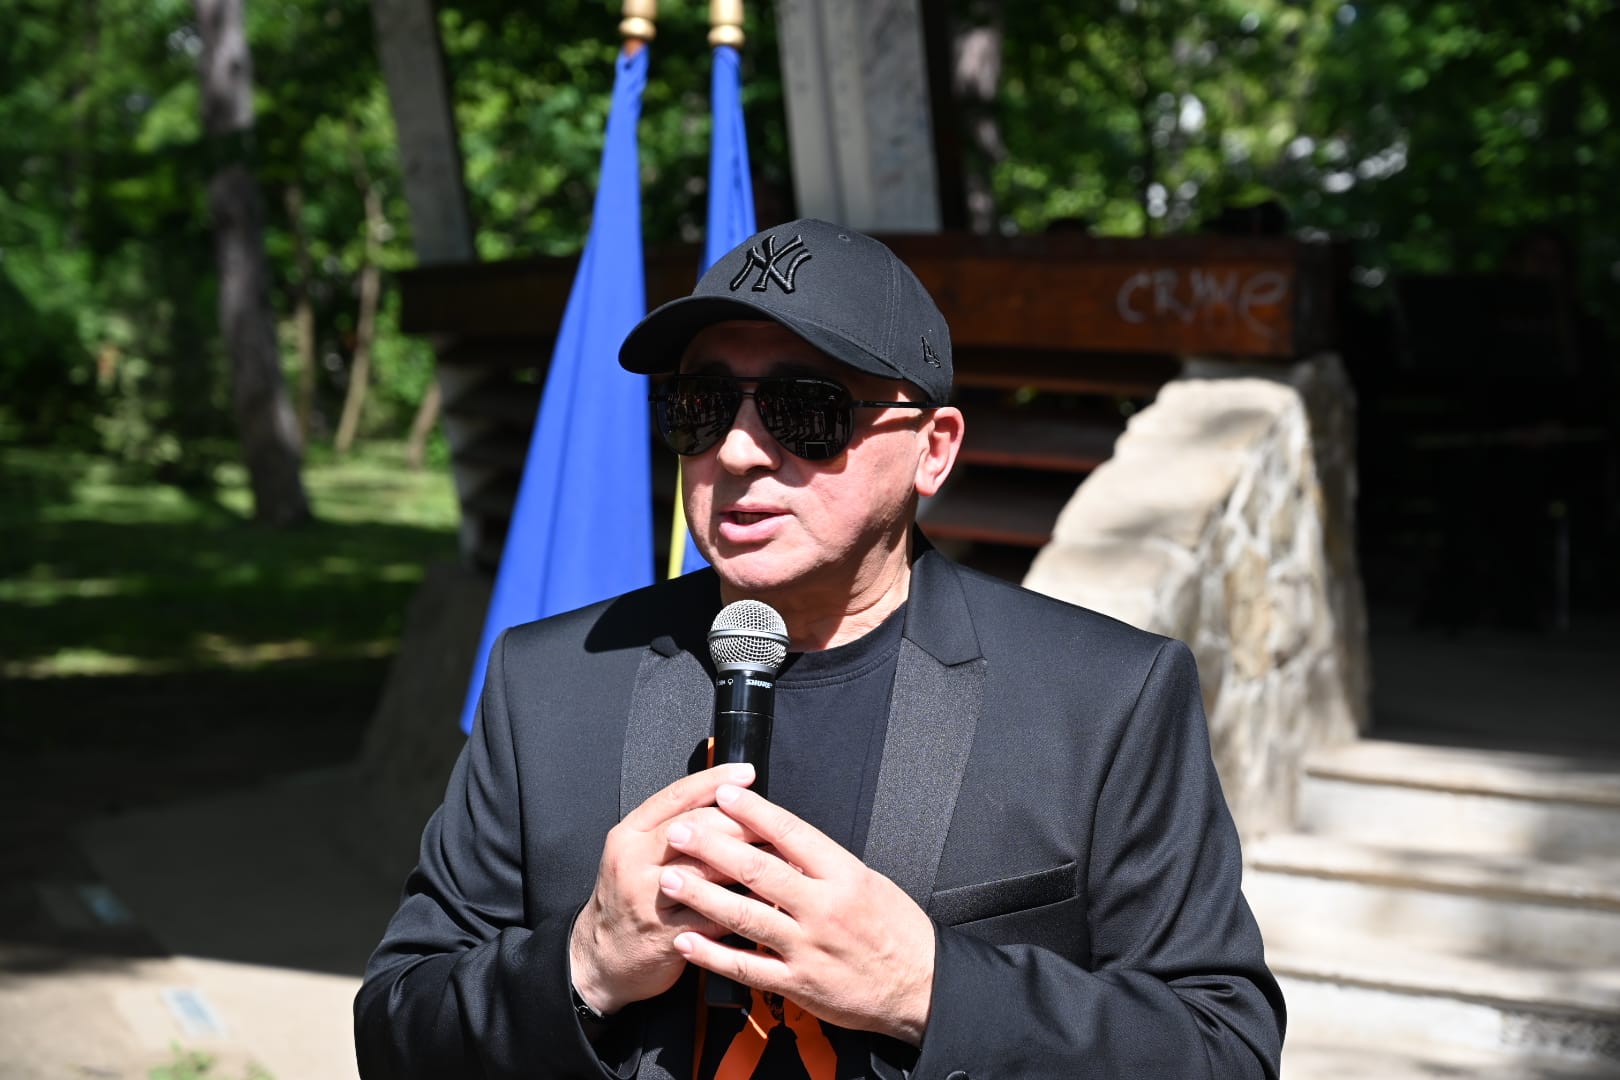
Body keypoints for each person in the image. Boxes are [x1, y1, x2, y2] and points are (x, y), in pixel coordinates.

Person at [354, 219, 1285, 1079]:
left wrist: (927, 987)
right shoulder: (548, 682)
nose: (739, 452)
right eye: (701, 405)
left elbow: (1224, 1049)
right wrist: (586, 963)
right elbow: (397, 1029)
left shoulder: (1106, 698)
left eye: (806, 409)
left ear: (933, 448)